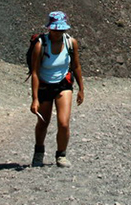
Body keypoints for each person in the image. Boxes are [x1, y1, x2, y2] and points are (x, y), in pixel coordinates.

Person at [29, 11, 85, 168]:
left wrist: (81, 88)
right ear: (49, 29)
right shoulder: (41, 45)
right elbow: (35, 72)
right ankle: (38, 152)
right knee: (43, 122)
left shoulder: (70, 43)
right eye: (55, 29)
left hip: (63, 84)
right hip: (44, 85)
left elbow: (76, 66)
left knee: (64, 123)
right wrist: (34, 99)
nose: (58, 32)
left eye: (61, 29)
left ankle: (61, 154)